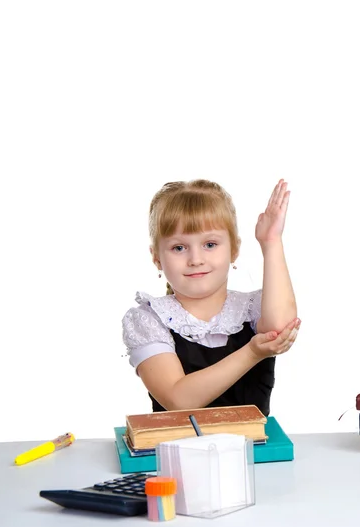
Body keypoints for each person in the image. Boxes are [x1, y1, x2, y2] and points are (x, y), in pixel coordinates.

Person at [122, 178, 300, 416]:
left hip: (253, 450)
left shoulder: (250, 310)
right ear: (156, 258)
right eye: (179, 248)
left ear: (234, 249)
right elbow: (178, 399)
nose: (196, 259)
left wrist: (271, 242)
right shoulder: (149, 320)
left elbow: (280, 327)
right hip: (177, 450)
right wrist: (252, 353)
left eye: (210, 244)